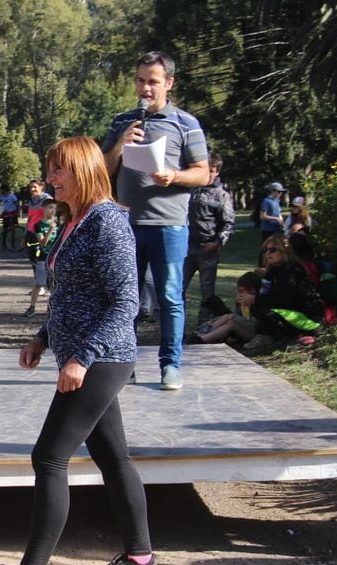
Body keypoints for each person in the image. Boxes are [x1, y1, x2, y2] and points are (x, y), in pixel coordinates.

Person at [0, 136, 157, 565]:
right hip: (79, 352)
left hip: (102, 357)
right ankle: (140, 558)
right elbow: (72, 297)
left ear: (82, 171)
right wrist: (43, 337)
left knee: (49, 457)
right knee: (114, 458)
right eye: (50, 169)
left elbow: (125, 303)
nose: (50, 178)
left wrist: (81, 357)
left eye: (59, 170)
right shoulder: (75, 221)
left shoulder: (109, 222)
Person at [101, 50, 210, 391]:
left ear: (169, 84)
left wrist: (173, 176)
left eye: (153, 81)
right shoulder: (121, 121)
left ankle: (170, 366)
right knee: (124, 296)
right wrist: (119, 145)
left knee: (169, 296)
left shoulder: (185, 123)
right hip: (124, 224)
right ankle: (124, 366)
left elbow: (203, 174)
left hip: (169, 224)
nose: (145, 88)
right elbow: (101, 169)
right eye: (140, 80)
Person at [242, 234, 325, 352]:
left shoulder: (292, 271)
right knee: (258, 308)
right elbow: (267, 296)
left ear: (284, 250)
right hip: (289, 314)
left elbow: (284, 300)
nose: (267, 254)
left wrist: (255, 299)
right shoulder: (273, 271)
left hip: (308, 319)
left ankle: (269, 338)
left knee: (266, 312)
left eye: (272, 250)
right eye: (265, 250)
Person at [184, 152, 235, 325]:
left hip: (208, 248)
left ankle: (203, 326)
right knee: (178, 288)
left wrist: (218, 242)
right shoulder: (191, 189)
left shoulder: (222, 195)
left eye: (212, 170)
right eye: (206, 169)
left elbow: (229, 223)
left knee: (207, 291)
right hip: (186, 246)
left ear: (217, 172)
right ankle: (178, 326)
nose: (209, 173)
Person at [191, 272, 260, 346]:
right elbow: (239, 317)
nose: (241, 294)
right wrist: (238, 305)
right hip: (243, 329)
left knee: (229, 317)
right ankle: (203, 338)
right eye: (239, 291)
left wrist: (251, 304)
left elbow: (254, 323)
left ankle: (202, 335)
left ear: (252, 289)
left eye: (242, 291)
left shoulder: (259, 300)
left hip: (253, 333)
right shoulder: (243, 302)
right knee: (229, 322)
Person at [23, 198, 58, 317]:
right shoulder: (39, 225)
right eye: (50, 208)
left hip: (56, 258)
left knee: (55, 285)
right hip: (43, 257)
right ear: (43, 209)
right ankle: (32, 307)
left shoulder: (60, 224)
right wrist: (50, 230)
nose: (52, 211)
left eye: (54, 208)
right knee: (39, 283)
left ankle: (54, 310)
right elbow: (43, 242)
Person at [0, 184, 20, 250]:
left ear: (4, 190)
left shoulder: (12, 196)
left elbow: (16, 203)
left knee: (12, 229)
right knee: (5, 229)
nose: (1, 192)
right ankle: (4, 245)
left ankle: (13, 244)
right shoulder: (2, 196)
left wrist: (17, 211)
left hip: (12, 213)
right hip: (6, 213)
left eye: (2, 190)